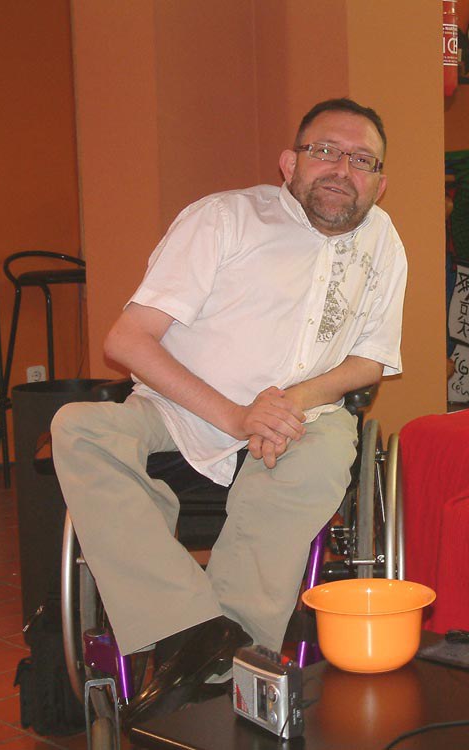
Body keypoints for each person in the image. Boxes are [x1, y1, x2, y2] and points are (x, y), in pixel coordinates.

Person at [51, 97, 406, 722]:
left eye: (361, 159)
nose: (341, 169)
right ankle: (195, 633)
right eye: (325, 151)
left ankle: (219, 666)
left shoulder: (383, 242)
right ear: (289, 163)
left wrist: (290, 403)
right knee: (77, 429)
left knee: (323, 455)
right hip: (181, 412)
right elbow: (127, 340)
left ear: (379, 183)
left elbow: (370, 361)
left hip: (301, 421)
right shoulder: (223, 220)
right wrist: (237, 417)